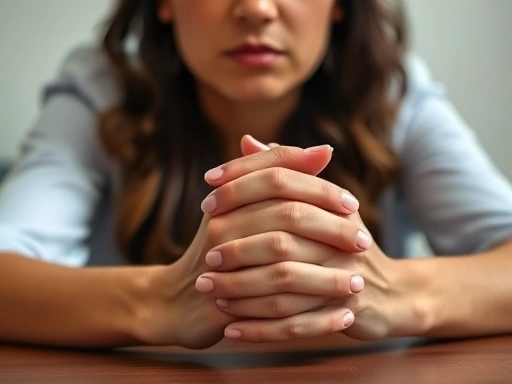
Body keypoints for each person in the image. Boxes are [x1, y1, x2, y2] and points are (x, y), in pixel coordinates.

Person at [1, 0, 512, 351]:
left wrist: (396, 292)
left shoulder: (391, 90)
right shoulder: (102, 89)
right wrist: (159, 300)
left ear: (339, 5)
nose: (256, 8)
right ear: (165, 3)